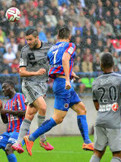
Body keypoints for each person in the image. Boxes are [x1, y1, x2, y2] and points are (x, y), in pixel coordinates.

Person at [23, 26, 94, 156]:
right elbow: (65, 59)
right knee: (58, 118)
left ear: (57, 37)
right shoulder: (70, 45)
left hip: (59, 82)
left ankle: (87, 141)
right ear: (69, 37)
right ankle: (31, 138)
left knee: (81, 109)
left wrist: (70, 73)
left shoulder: (52, 49)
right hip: (63, 84)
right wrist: (67, 78)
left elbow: (55, 65)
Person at [12, 29, 54, 153]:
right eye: (27, 39)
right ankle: (42, 139)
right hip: (29, 84)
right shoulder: (25, 51)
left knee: (29, 114)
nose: (28, 42)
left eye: (30, 39)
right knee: (43, 107)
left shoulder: (48, 47)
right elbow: (21, 72)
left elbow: (57, 61)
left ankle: (18, 143)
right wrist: (36, 72)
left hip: (42, 85)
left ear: (37, 38)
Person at [89, 53, 121, 162]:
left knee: (97, 153)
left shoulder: (95, 82)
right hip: (114, 123)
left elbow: (97, 106)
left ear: (101, 65)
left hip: (100, 121)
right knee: (118, 154)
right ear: (114, 64)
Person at [0, 80, 26, 162]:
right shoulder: (7, 103)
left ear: (12, 87)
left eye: (5, 87)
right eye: (2, 88)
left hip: (20, 131)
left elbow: (24, 112)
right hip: (9, 132)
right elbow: (5, 121)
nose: (3, 90)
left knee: (8, 149)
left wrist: (7, 111)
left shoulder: (19, 96)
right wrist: (1, 109)